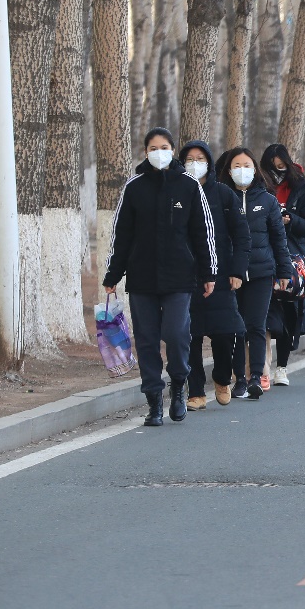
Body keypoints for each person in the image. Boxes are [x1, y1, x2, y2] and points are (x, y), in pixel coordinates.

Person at [103, 128, 218, 427]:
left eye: (164, 147)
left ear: (173, 150)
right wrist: (113, 273)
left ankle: (178, 385)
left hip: (180, 277)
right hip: (142, 278)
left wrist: (209, 272)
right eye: (153, 148)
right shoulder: (134, 187)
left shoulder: (189, 185)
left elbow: (203, 233)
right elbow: (121, 235)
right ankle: (153, 400)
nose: (159, 152)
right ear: (145, 152)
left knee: (177, 334)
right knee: (147, 340)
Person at [180, 140, 249, 410]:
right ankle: (196, 391)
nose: (195, 164)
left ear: (209, 163)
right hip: (186, 276)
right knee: (190, 335)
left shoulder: (223, 194)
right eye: (189, 159)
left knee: (225, 333)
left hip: (221, 275)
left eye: (200, 159)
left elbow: (241, 235)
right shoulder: (177, 193)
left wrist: (237, 270)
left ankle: (222, 378)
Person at [219, 148, 291, 399]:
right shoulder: (222, 198)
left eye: (247, 165)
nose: (242, 171)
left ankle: (256, 377)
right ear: (229, 171)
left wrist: (284, 270)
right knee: (235, 327)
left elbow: (279, 239)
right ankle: (239, 378)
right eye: (237, 166)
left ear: (255, 169)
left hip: (261, 272)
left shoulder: (267, 200)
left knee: (257, 325)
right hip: (231, 274)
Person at [261, 144, 305, 385]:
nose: (277, 173)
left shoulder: (302, 188)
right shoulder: (260, 186)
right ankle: (262, 367)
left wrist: (290, 220)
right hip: (266, 256)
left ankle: (282, 367)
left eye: (281, 167)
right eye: (272, 168)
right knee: (264, 311)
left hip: (293, 258)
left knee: (288, 312)